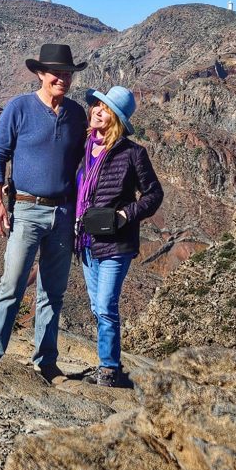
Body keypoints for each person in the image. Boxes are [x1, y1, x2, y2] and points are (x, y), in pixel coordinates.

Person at [0, 43, 87, 379]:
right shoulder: (20, 108)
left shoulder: (77, 114)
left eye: (67, 74)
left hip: (63, 214)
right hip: (26, 209)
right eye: (56, 73)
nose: (62, 79)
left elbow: (88, 161)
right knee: (12, 284)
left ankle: (46, 362)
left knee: (53, 292)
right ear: (40, 73)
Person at [75, 85, 163, 387]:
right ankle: (106, 364)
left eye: (106, 109)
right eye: (97, 106)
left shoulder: (132, 153)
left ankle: (110, 369)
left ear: (117, 119)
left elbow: (154, 194)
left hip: (116, 243)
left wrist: (126, 215)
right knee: (96, 307)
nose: (98, 111)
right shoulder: (83, 147)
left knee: (105, 306)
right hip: (86, 242)